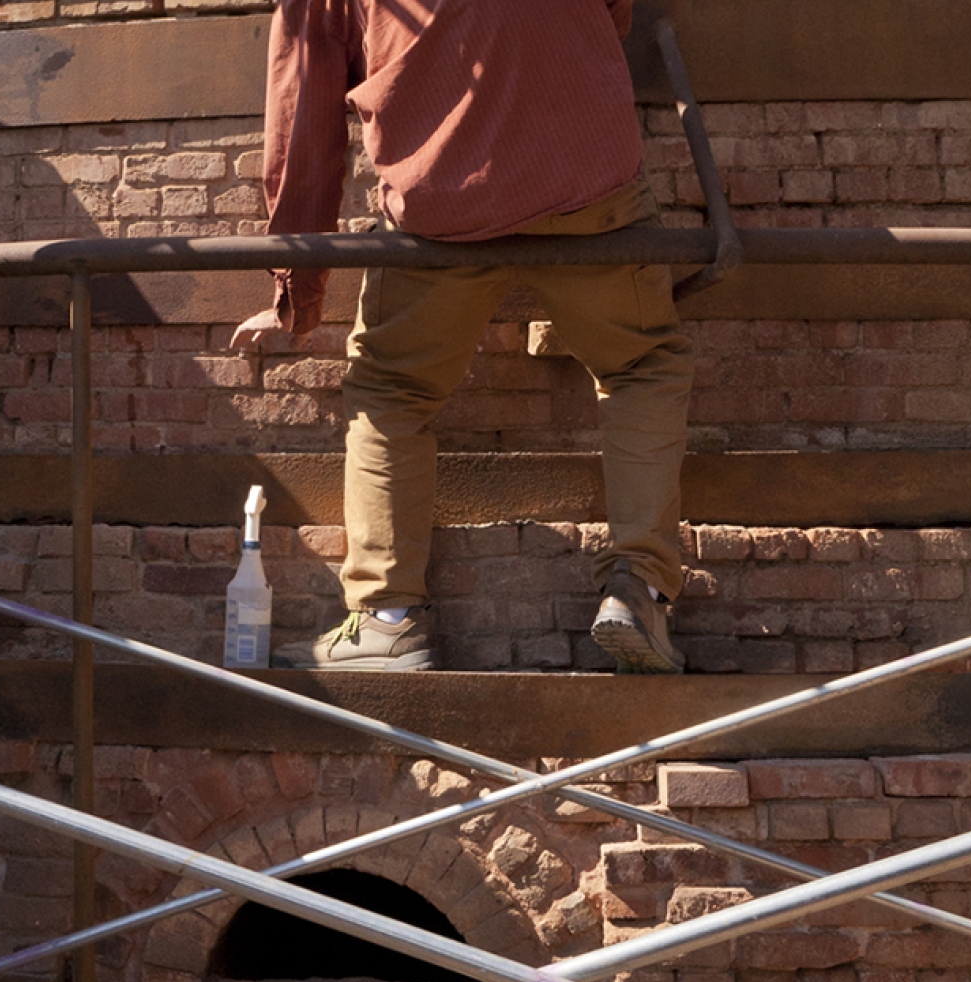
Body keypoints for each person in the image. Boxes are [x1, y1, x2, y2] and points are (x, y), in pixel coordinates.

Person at [236, 0, 694, 675]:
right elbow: (613, 14)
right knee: (642, 364)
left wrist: (297, 289)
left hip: (441, 200)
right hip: (587, 181)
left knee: (392, 388)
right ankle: (640, 591)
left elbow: (303, 109)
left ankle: (387, 621)